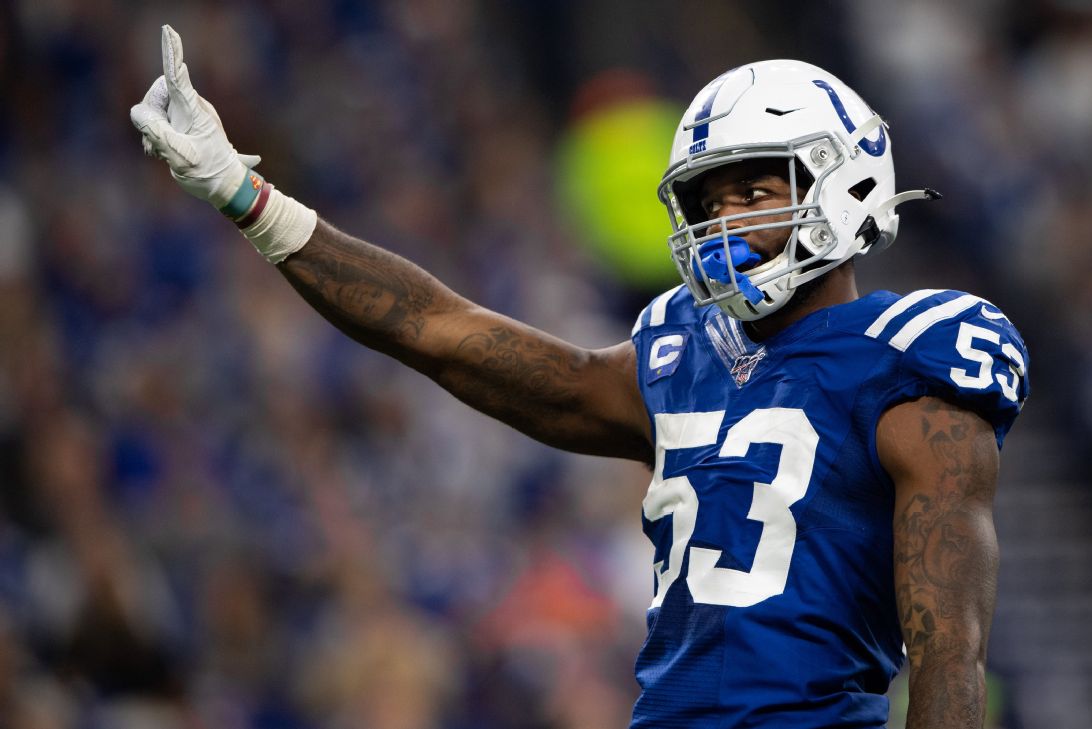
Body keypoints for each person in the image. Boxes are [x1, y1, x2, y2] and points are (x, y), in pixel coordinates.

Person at [131, 25, 1029, 729]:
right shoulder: (679, 354)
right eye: (709, 201)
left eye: (755, 191)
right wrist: (254, 204)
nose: (725, 223)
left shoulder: (910, 360)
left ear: (847, 183)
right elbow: (448, 333)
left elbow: (949, 646)